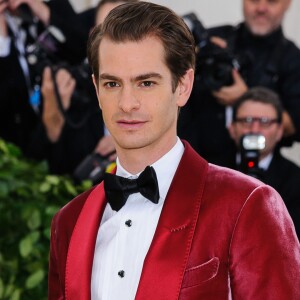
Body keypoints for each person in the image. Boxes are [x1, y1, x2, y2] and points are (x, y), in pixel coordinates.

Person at [48, 2, 300, 299]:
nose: (127, 103)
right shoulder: (69, 221)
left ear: (183, 86)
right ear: (96, 89)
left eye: (146, 83)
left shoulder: (247, 204)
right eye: (113, 83)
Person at [178, 0, 300, 165]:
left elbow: (293, 124)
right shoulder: (214, 40)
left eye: (272, 1)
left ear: (287, 4)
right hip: (191, 162)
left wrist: (243, 99)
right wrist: (190, 56)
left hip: (255, 170)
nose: (261, 8)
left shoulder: (292, 60)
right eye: (254, 0)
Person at [27, 0, 137, 177]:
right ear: (92, 37)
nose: (117, 42)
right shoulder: (75, 90)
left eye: (128, 31)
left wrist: (137, 145)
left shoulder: (170, 91)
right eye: (105, 32)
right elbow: (43, 168)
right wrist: (53, 113)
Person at [225, 86, 300, 239]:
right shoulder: (211, 172)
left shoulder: (295, 179)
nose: (254, 129)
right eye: (246, 120)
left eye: (265, 122)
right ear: (232, 128)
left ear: (280, 131)